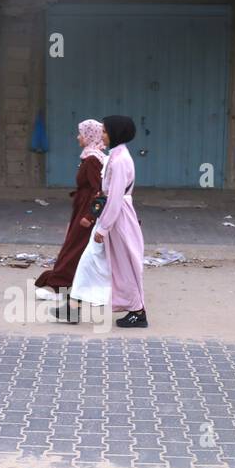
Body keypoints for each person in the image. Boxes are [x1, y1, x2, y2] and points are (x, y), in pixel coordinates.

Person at [36, 118, 106, 323]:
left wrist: (89, 215)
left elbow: (98, 190)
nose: (78, 137)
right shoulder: (92, 156)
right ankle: (65, 287)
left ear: (89, 136)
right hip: (82, 208)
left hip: (86, 210)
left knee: (75, 248)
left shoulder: (93, 159)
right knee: (76, 247)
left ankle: (61, 286)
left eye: (81, 134)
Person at [95, 115, 147, 328]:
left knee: (126, 265)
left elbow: (115, 197)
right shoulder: (118, 157)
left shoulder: (119, 160)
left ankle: (138, 311)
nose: (102, 135)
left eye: (105, 131)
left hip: (118, 217)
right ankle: (134, 309)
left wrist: (103, 227)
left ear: (116, 133)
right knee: (122, 264)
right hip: (118, 214)